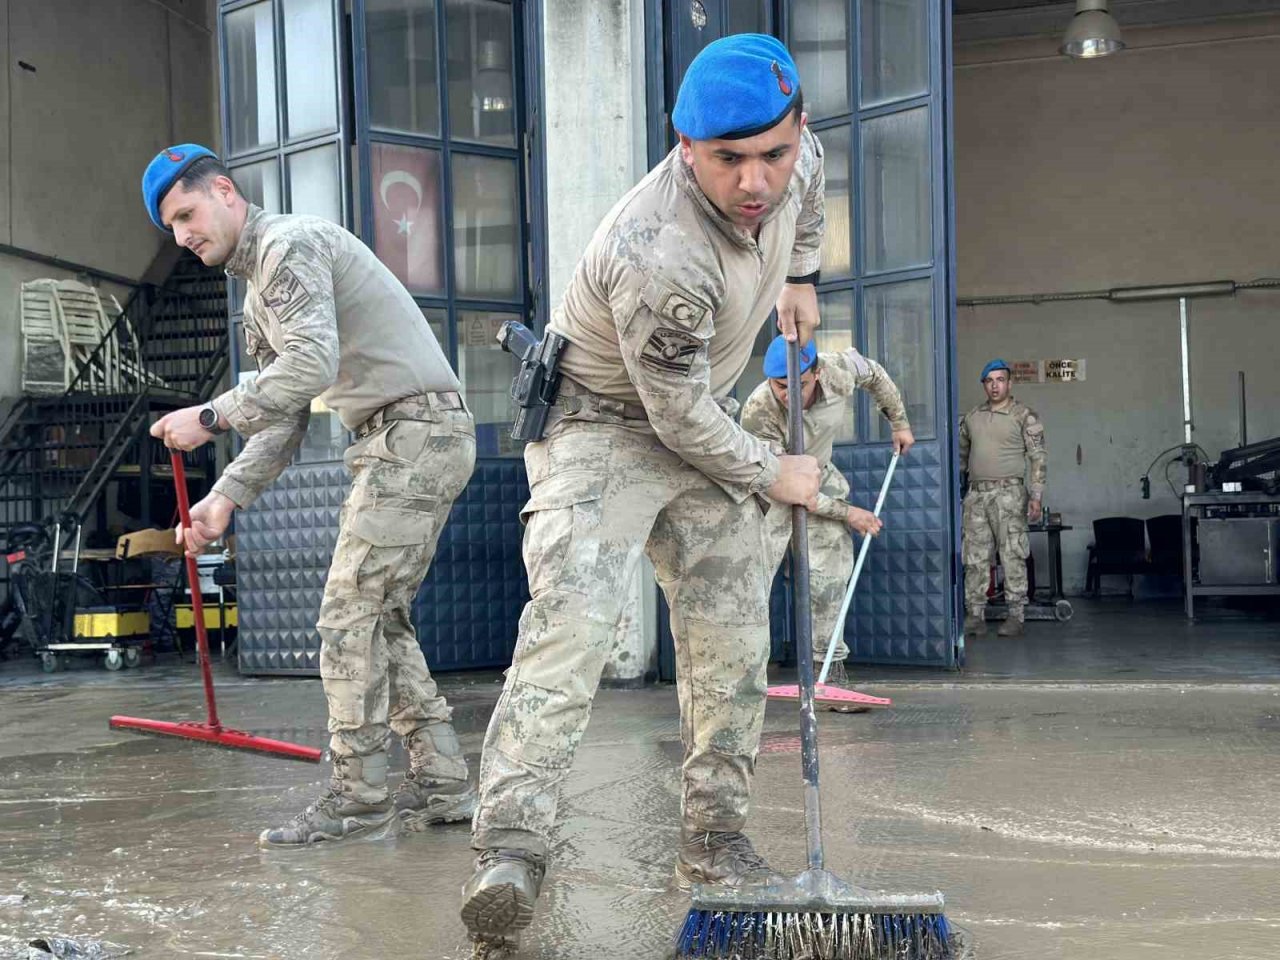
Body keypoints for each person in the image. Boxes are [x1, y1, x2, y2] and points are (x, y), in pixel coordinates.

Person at [458, 35, 824, 952]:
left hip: (700, 410)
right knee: (574, 623)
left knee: (733, 625)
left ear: (797, 130)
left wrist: (806, 274)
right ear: (683, 143)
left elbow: (804, 201)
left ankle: (715, 841)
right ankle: (510, 848)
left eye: (771, 154)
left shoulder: (799, 161)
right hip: (603, 424)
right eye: (727, 160)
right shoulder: (656, 250)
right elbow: (680, 419)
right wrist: (773, 471)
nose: (755, 182)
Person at [141, 144, 478, 846]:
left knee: (345, 616)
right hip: (404, 436)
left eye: (187, 213)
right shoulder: (258, 292)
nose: (182, 235)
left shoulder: (287, 247)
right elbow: (286, 412)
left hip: (413, 431)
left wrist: (208, 417)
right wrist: (226, 497)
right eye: (170, 227)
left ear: (226, 192)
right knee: (379, 616)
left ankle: (358, 800)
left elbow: (310, 365)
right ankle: (444, 785)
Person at [740, 335, 913, 709]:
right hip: (769, 488)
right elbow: (787, 488)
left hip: (818, 473)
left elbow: (876, 376)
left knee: (829, 578)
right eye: (779, 386)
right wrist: (849, 513)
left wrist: (898, 422)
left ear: (815, 373)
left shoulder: (839, 370)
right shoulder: (758, 410)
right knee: (751, 583)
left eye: (796, 385)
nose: (786, 395)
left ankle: (828, 673)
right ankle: (744, 679)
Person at [958, 359, 1047, 639]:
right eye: (989, 380)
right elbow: (961, 457)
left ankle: (1015, 615)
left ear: (1009, 383)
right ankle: (975, 615)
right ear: (984, 385)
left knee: (1012, 555)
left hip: (1009, 494)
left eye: (1000, 380)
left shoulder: (1024, 416)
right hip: (976, 495)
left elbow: (1038, 458)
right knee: (975, 556)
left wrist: (1036, 495)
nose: (995, 385)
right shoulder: (972, 417)